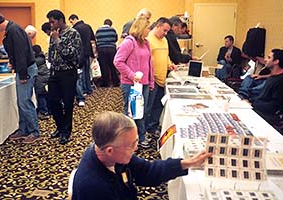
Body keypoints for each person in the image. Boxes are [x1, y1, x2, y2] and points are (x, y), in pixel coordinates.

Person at [72, 111, 211, 200]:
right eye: (131, 144)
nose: (136, 148)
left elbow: (147, 171)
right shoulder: (93, 188)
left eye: (136, 141)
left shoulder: (114, 154)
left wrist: (187, 163)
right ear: (109, 151)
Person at [0, 11, 40, 144]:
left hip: (26, 70)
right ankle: (23, 129)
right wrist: (13, 62)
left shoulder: (14, 30)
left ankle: (34, 132)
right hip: (24, 69)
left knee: (25, 102)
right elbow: (17, 53)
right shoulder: (12, 29)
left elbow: (21, 53)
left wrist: (22, 74)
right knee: (21, 102)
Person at [113, 17, 154, 148]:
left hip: (144, 83)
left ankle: (140, 137)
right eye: (148, 28)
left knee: (141, 112)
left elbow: (149, 64)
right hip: (131, 84)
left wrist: (151, 81)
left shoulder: (146, 43)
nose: (150, 30)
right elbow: (118, 61)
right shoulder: (128, 42)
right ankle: (127, 140)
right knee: (131, 113)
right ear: (141, 28)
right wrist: (131, 75)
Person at [47, 10, 81, 145]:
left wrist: (57, 40)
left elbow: (70, 55)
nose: (51, 24)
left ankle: (66, 132)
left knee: (67, 103)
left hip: (68, 73)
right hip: (54, 72)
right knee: (52, 101)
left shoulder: (73, 34)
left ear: (61, 20)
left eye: (52, 21)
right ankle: (60, 127)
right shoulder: (54, 34)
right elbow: (51, 53)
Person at [145, 17, 174, 142]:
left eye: (167, 31)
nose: (166, 34)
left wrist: (169, 64)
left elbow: (165, 56)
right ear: (157, 26)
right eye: (164, 30)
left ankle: (152, 127)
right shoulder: (148, 40)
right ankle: (144, 130)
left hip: (162, 78)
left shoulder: (164, 40)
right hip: (152, 79)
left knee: (158, 106)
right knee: (148, 106)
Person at [251, 49, 283, 127]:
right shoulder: (272, 77)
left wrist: (253, 104)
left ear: (276, 61)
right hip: (261, 111)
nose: (265, 60)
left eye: (269, 57)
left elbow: (274, 107)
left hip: (271, 117)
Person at [69, 14, 96, 97]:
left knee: (81, 73)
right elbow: (93, 39)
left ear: (74, 19)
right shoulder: (88, 26)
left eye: (71, 21)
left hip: (80, 53)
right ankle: (89, 89)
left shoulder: (75, 29)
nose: (71, 23)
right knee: (87, 72)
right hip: (88, 51)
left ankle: (83, 90)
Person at [95, 19, 119, 87]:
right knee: (113, 65)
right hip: (111, 49)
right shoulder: (113, 30)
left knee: (104, 66)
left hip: (101, 49)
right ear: (110, 24)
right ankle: (115, 82)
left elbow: (96, 38)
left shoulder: (98, 30)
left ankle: (106, 82)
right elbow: (115, 39)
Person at [33, 44, 50, 120]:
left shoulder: (37, 60)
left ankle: (43, 112)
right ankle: (47, 111)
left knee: (41, 96)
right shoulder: (42, 58)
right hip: (44, 78)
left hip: (40, 80)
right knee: (44, 95)